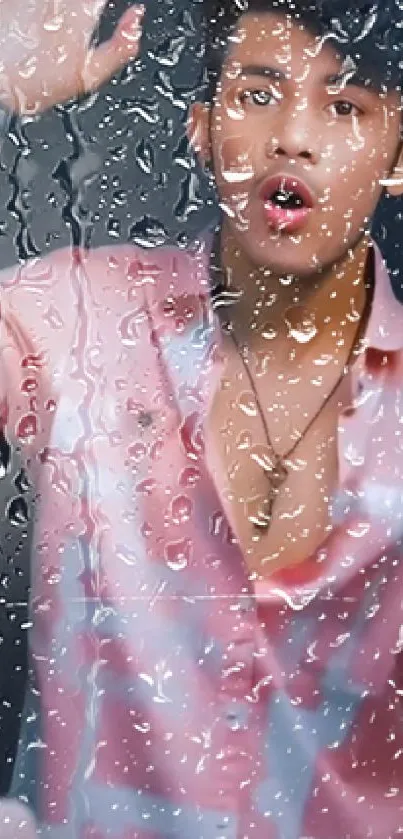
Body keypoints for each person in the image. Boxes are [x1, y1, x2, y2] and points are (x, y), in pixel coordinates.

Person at [1, 0, 403, 836]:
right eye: (258, 95)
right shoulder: (71, 317)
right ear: (196, 128)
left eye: (342, 105)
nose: (292, 137)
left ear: (396, 151)